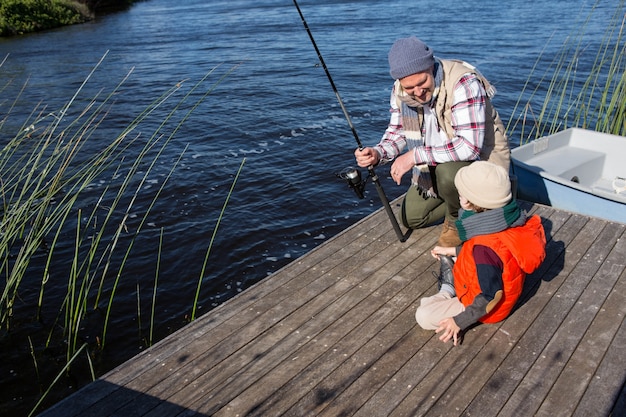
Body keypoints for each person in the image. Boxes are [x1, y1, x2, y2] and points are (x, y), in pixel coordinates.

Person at [354, 36, 510, 246]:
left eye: (422, 82)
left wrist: (414, 156)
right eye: (410, 87)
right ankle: (467, 206)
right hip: (436, 160)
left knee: (447, 174)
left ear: (431, 67)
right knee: (412, 217)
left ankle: (458, 220)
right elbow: (398, 131)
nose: (418, 92)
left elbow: (469, 148)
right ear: (400, 82)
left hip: (481, 164)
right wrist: (378, 153)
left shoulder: (463, 82)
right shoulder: (399, 91)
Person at [414, 161, 546, 346]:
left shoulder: (484, 247)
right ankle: (450, 281)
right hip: (498, 280)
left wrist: (458, 322)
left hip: (489, 308)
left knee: (423, 314)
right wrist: (453, 250)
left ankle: (448, 289)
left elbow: (490, 295)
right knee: (429, 302)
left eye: (460, 194)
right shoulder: (506, 221)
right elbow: (498, 255)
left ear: (467, 201)